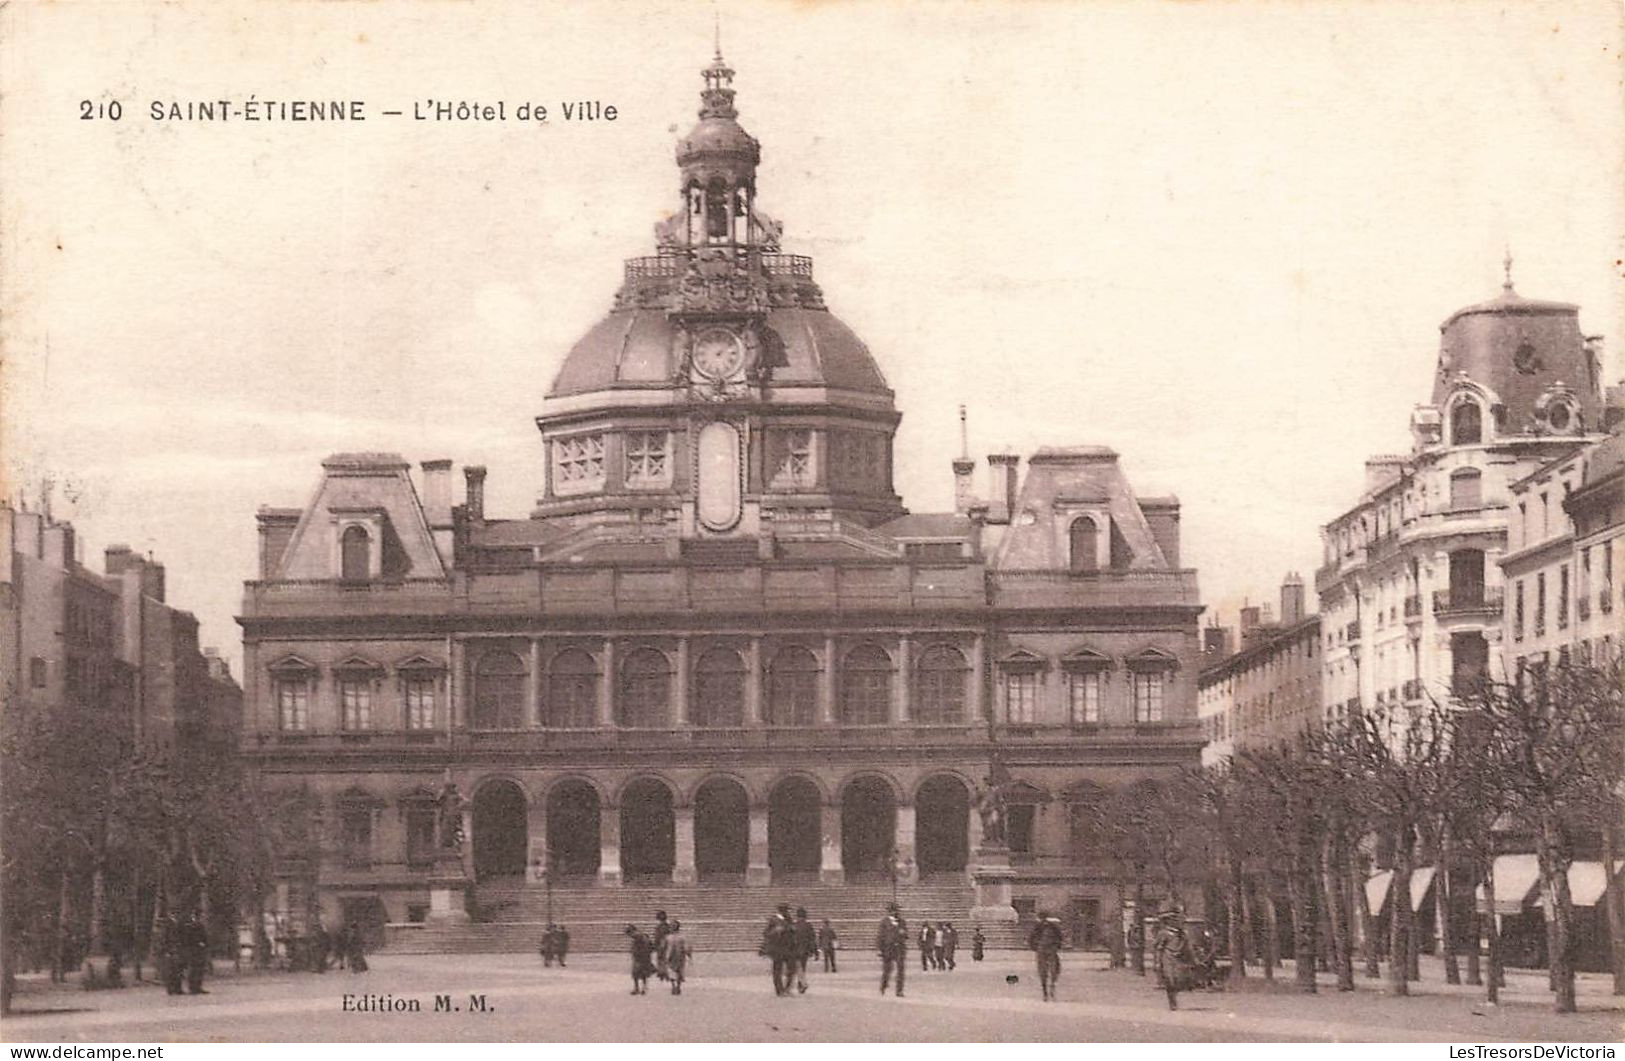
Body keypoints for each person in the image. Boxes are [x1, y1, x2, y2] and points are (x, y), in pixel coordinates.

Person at [1153, 912, 1195, 1011]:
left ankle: (1175, 995)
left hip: (1180, 959)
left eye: (1179, 921)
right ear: (1169, 922)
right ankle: (1172, 1002)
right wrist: (1158, 962)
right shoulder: (1164, 933)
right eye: (1175, 921)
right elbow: (1158, 948)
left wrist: (1192, 959)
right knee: (1170, 980)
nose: (1178, 923)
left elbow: (1188, 947)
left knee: (1180, 979)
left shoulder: (1183, 934)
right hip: (1168, 958)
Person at [761, 903, 796, 996]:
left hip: (789, 948)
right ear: (782, 911)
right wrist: (776, 931)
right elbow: (766, 933)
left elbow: (792, 932)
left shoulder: (789, 920)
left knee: (791, 969)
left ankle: (787, 988)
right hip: (777, 949)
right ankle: (779, 990)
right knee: (777, 970)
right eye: (787, 910)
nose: (789, 912)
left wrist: (792, 929)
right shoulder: (773, 920)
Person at [1029, 911, 1065, 1002]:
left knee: (1046, 971)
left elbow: (1031, 938)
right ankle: (1049, 988)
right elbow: (1060, 937)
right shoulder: (1049, 926)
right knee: (1050, 970)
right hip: (1047, 950)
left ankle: (1047, 990)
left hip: (1046, 950)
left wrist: (1035, 947)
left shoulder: (1042, 926)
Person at [875, 902, 907, 997]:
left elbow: (906, 935)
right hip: (888, 948)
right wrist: (879, 949)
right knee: (887, 970)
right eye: (893, 911)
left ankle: (899, 990)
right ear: (889, 912)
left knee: (901, 970)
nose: (896, 913)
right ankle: (883, 985)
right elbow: (880, 936)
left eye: (897, 911)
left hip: (900, 949)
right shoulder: (884, 922)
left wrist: (903, 933)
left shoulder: (902, 922)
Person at [181, 913, 210, 995]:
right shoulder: (189, 926)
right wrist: (198, 942)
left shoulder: (201, 926)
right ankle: (192, 987)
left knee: (199, 969)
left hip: (200, 951)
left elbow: (205, 937)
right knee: (193, 969)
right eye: (197, 917)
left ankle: (198, 986)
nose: (198, 918)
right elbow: (187, 939)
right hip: (192, 951)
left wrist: (204, 944)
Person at [662, 919, 692, 995]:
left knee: (673, 971)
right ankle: (677, 986)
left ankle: (674, 986)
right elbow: (686, 948)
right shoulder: (681, 937)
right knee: (678, 971)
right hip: (678, 956)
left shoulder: (668, 937)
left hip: (672, 956)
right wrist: (689, 955)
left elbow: (663, 947)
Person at [625, 924, 655, 995]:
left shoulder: (639, 936)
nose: (630, 936)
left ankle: (638, 988)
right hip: (642, 957)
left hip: (640, 957)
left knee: (637, 973)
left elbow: (642, 947)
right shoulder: (642, 936)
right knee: (642, 973)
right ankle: (642, 988)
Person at [792, 908, 816, 994]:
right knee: (802, 967)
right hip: (805, 950)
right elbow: (812, 939)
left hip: (795, 950)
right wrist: (814, 951)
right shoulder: (808, 926)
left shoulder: (794, 925)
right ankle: (801, 983)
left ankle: (801, 983)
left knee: (798, 967)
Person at [159, 916, 184, 995]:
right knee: (171, 971)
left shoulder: (179, 923)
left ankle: (178, 988)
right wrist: (166, 950)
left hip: (178, 949)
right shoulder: (167, 925)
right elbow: (164, 938)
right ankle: (170, 989)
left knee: (178, 970)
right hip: (170, 950)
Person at [652, 910, 671, 982]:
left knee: (661, 959)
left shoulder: (660, 927)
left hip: (661, 945)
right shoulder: (667, 926)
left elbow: (658, 937)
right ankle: (663, 973)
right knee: (664, 959)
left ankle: (663, 973)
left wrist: (656, 945)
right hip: (665, 945)